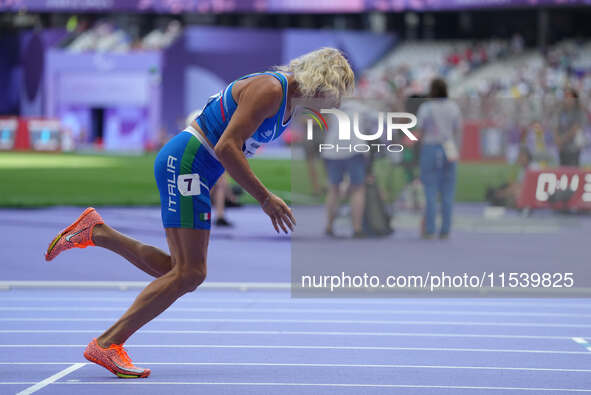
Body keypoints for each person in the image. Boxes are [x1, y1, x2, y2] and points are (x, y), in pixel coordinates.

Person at [44, 47, 354, 378]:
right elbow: (225, 147)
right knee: (190, 273)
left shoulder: (288, 104)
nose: (338, 103)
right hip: (189, 162)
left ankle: (96, 233)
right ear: (323, 83)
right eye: (339, 93)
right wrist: (265, 198)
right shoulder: (271, 89)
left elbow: (229, 146)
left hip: (196, 170)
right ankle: (107, 343)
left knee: (181, 271)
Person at [417, 78, 462, 239]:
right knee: (448, 191)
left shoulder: (426, 108)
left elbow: (420, 130)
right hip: (449, 145)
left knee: (430, 189)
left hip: (431, 145)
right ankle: (445, 229)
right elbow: (457, 130)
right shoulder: (453, 107)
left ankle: (429, 229)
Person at [322, 99, 367, 238]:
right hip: (354, 149)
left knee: (334, 189)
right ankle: (357, 228)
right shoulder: (362, 108)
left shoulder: (331, 107)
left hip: (332, 149)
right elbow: (379, 124)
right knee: (357, 189)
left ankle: (329, 226)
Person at [554, 87, 585, 167]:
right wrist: (558, 140)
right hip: (562, 148)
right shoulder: (561, 111)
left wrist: (562, 139)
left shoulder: (578, 111)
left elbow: (576, 128)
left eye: (570, 96)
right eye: (566, 96)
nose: (568, 99)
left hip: (573, 148)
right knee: (562, 170)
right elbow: (556, 126)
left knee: (573, 171)